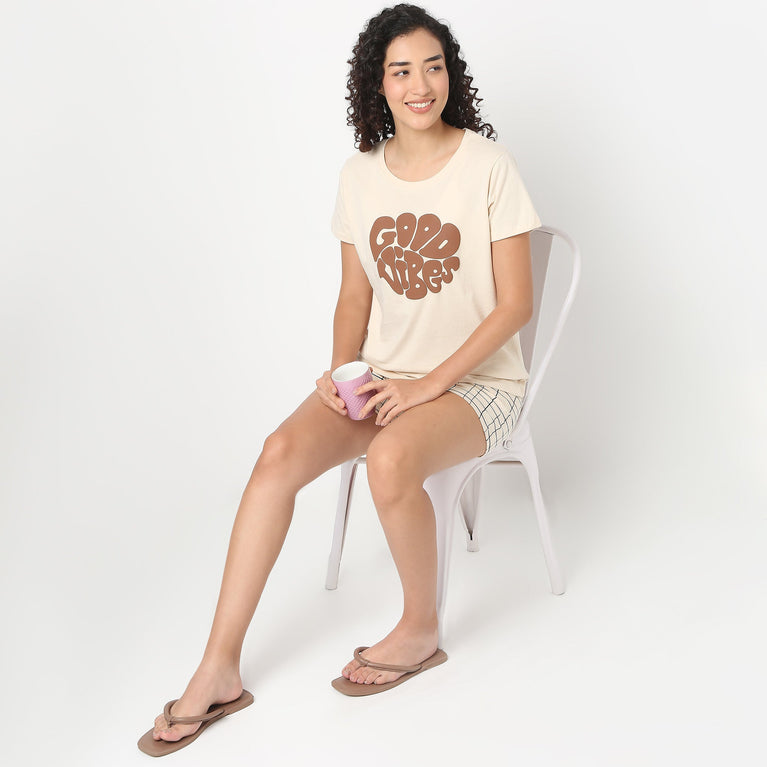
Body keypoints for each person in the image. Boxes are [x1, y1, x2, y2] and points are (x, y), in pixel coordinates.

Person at [138, 2, 540, 756]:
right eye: (401, 71)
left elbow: (516, 304)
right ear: (377, 85)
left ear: (450, 76)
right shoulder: (359, 177)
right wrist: (341, 372)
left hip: (478, 385)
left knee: (390, 459)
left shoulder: (488, 165)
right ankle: (218, 664)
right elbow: (354, 297)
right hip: (385, 377)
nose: (420, 85)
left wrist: (426, 387)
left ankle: (419, 627)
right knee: (277, 454)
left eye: (433, 67)